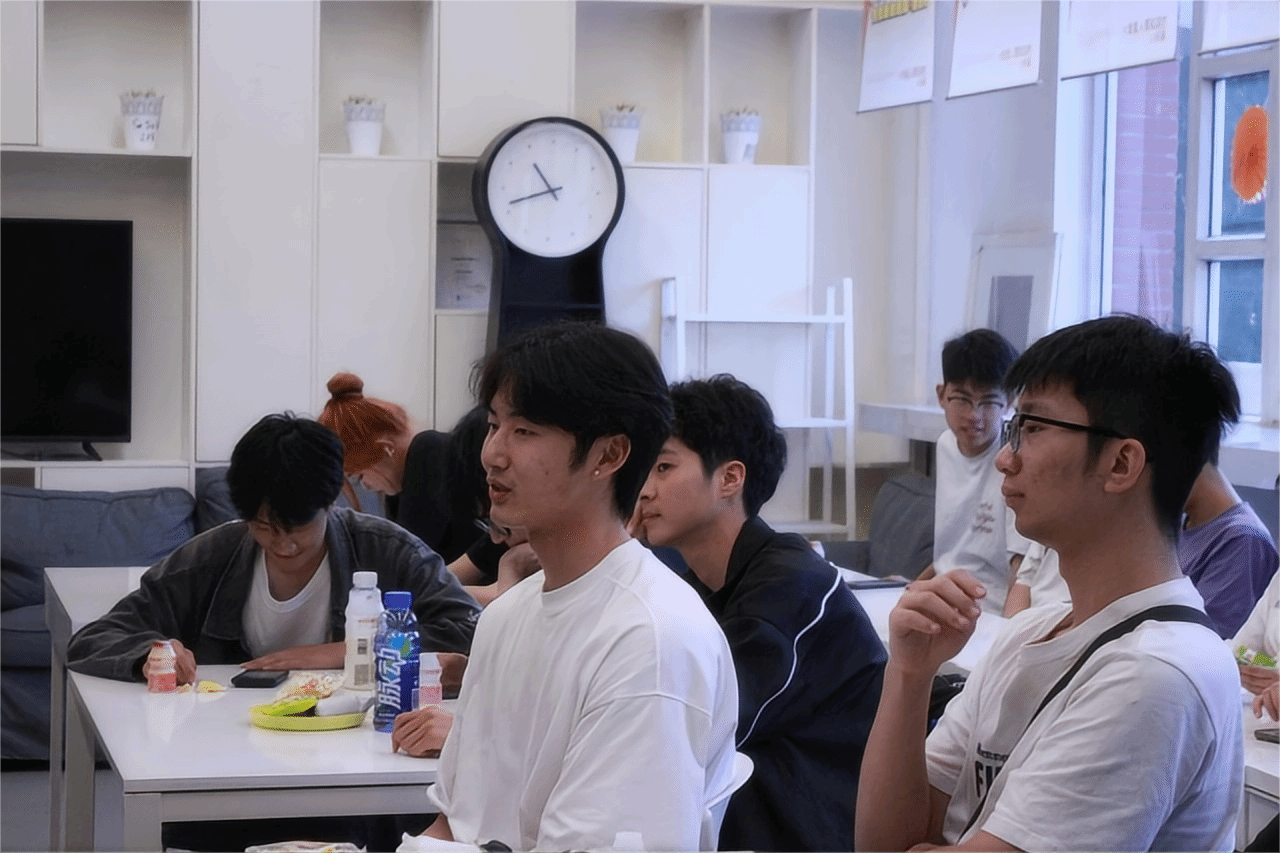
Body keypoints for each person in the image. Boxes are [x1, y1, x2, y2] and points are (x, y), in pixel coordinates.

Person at [856, 315, 1245, 852]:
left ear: (1121, 463)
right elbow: (883, 842)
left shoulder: (1153, 672)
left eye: (1033, 428)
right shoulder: (1028, 632)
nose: (1005, 458)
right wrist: (909, 674)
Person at [420, 322, 738, 852]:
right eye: (494, 425)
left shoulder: (651, 639)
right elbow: (454, 823)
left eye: (524, 431)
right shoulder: (504, 617)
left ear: (609, 456)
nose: (493, 453)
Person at [631, 374, 886, 853]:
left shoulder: (792, 585)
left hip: (814, 829)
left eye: (663, 467)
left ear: (730, 479)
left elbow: (703, 729)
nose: (642, 490)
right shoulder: (695, 587)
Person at [67, 413, 480, 683]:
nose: (284, 543)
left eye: (299, 526)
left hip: (351, 739)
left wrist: (347, 652)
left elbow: (470, 629)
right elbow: (94, 638)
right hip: (223, 740)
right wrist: (153, 652)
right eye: (264, 528)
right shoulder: (208, 559)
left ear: (330, 502)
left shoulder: (387, 551)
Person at [318, 374, 536, 605]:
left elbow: (412, 573)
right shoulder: (403, 490)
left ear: (385, 449)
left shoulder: (428, 453)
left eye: (359, 476)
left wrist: (414, 591)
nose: (366, 486)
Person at [919, 329, 1029, 613]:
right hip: (942, 598)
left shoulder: (1014, 459)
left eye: (989, 402)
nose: (974, 416)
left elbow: (1022, 568)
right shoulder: (945, 445)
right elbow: (953, 555)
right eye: (962, 399)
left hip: (989, 608)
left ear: (1008, 402)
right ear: (942, 395)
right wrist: (912, 587)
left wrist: (1008, 630)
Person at [1178, 461, 1278, 638]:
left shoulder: (1243, 540)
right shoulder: (1277, 585)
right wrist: (1259, 656)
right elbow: (1241, 648)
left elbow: (1209, 641)